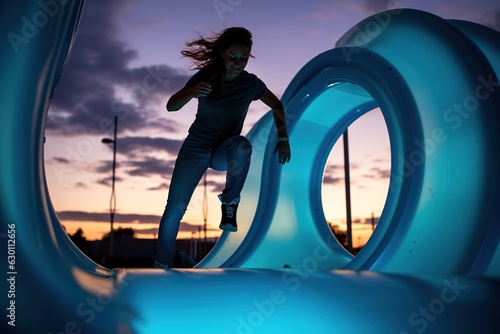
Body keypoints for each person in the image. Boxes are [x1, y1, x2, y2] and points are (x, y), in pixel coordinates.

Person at [155, 27, 291, 269]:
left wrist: (283, 138)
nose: (238, 63)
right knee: (174, 210)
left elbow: (277, 105)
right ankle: (161, 265)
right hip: (195, 149)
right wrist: (192, 91)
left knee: (242, 145)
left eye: (243, 58)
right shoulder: (206, 76)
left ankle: (230, 203)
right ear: (221, 54)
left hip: (223, 151)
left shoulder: (250, 84)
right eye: (233, 57)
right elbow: (171, 107)